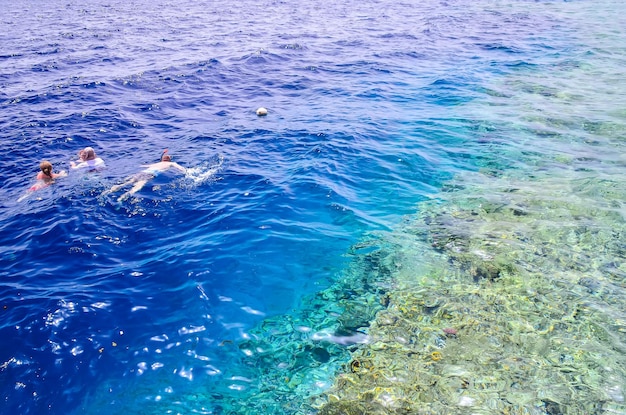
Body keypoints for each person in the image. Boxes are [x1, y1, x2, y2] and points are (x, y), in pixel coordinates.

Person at [106, 150, 186, 202]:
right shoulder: (171, 163)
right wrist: (185, 171)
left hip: (142, 172)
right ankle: (121, 199)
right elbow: (180, 168)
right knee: (136, 188)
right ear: (169, 160)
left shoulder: (156, 163)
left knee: (126, 183)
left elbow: (142, 166)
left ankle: (109, 191)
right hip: (149, 174)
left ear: (162, 160)